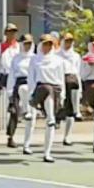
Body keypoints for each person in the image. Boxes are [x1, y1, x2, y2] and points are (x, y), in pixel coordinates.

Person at [24, 34, 65, 163]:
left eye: (49, 44)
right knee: (46, 89)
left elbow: (61, 79)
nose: (47, 47)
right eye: (45, 44)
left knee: (51, 120)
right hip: (41, 88)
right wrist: (31, 93)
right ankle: (46, 114)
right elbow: (31, 78)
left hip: (55, 89)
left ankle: (47, 152)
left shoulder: (58, 60)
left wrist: (62, 95)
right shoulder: (35, 60)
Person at [5, 34, 35, 149]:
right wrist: (10, 91)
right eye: (25, 43)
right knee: (14, 112)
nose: (27, 46)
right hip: (18, 85)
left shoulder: (35, 58)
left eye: (29, 44)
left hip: (31, 86)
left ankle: (27, 142)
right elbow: (11, 76)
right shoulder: (16, 58)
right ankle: (10, 136)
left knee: (31, 114)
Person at [0, 23, 21, 143]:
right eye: (9, 32)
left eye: (13, 32)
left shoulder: (20, 47)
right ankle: (8, 130)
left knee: (15, 107)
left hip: (17, 78)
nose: (11, 34)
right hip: (5, 77)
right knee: (7, 104)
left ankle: (11, 133)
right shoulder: (1, 47)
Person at [57, 32, 83, 145]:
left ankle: (67, 136)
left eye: (70, 41)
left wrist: (80, 88)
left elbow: (78, 73)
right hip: (59, 81)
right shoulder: (56, 55)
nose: (68, 44)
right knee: (57, 110)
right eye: (66, 41)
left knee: (71, 111)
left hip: (72, 82)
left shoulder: (76, 56)